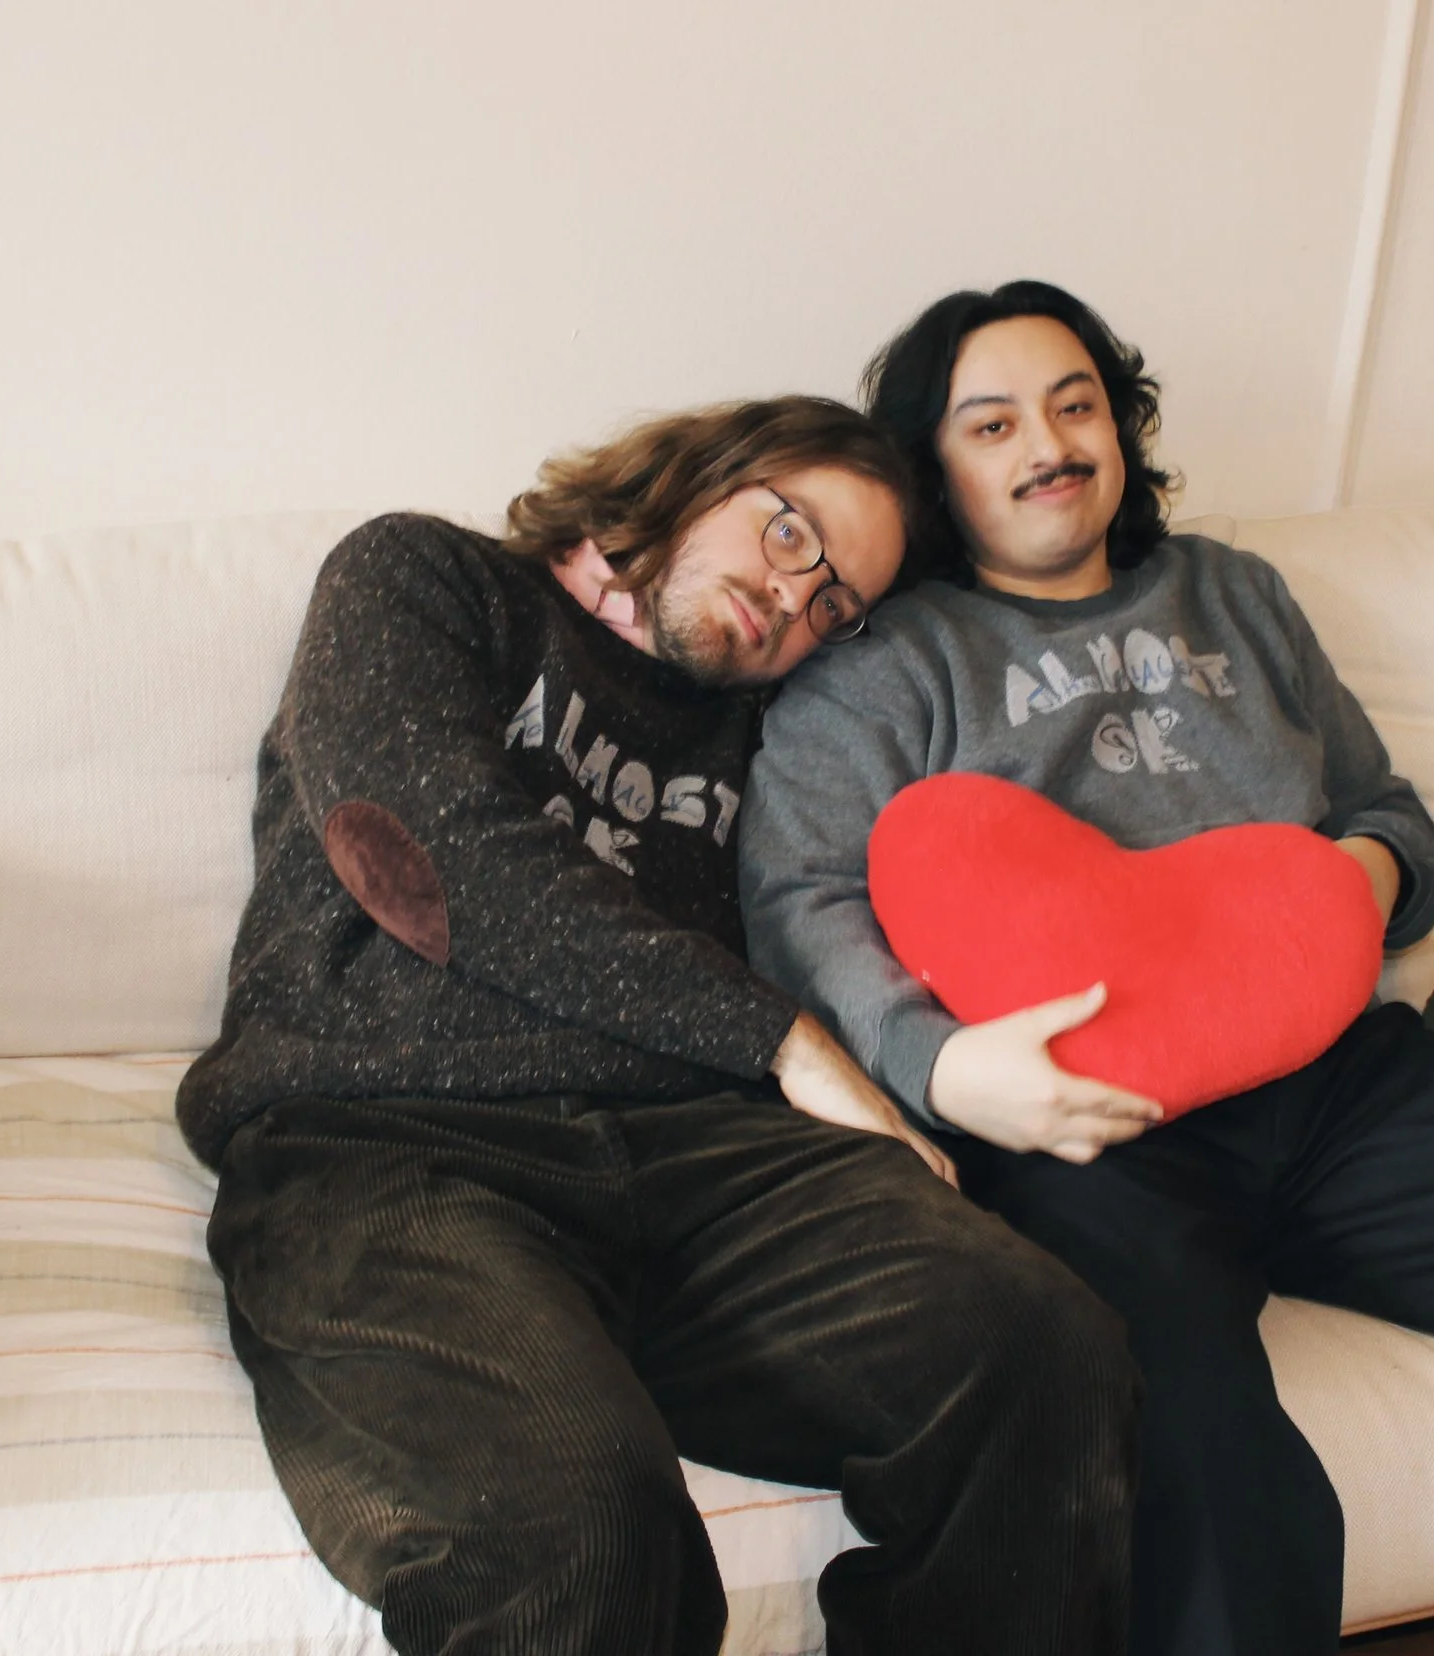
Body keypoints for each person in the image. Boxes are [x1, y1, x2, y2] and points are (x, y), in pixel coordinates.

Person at [739, 286, 1434, 1656]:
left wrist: (1358, 885)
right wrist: (945, 1069)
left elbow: (1385, 812)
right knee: (1187, 1431)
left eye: (1075, 405)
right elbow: (792, 905)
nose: (1047, 444)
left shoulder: (1234, 594)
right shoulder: (881, 661)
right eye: (993, 425)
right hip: (1081, 1124)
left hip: (1338, 1073)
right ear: (936, 469)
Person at [177, 395, 1139, 1656]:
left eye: (835, 604)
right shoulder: (422, 575)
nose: (794, 602)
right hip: (385, 1140)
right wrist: (782, 1043)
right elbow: (417, 855)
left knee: (1044, 1353)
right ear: (702, 471)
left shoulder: (775, 732)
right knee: (582, 1521)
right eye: (788, 533)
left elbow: (873, 890)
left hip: (700, 1154)